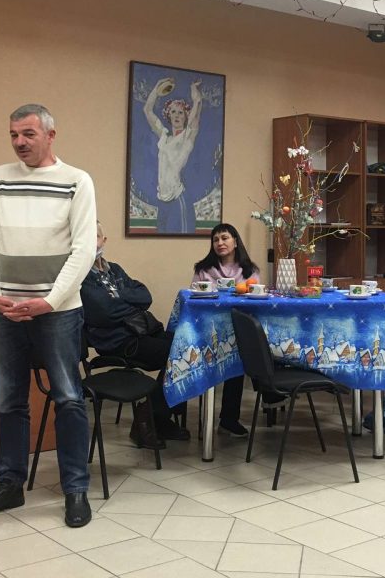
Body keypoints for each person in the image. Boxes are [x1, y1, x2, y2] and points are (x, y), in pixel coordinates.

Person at [0, 104, 96, 529]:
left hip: (58, 312)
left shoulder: (77, 181)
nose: (19, 142)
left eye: (28, 134)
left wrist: (50, 301)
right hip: (6, 312)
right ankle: (9, 485)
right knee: (9, 400)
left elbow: (84, 250)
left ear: (50, 135)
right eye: (13, 135)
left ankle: (75, 488)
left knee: (68, 397)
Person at [81, 221, 189, 446]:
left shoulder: (115, 270)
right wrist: (126, 302)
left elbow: (145, 296)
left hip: (141, 332)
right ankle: (147, 419)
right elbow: (103, 311)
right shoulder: (81, 276)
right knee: (176, 353)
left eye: (95, 236)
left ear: (104, 240)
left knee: (188, 345)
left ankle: (159, 418)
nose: (91, 242)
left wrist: (117, 297)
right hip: (118, 341)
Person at [192, 223, 260, 437]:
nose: (220, 243)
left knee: (241, 348)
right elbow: (194, 300)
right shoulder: (203, 269)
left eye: (224, 238)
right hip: (209, 330)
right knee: (236, 347)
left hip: (239, 329)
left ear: (235, 241)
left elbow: (256, 303)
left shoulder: (249, 270)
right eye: (215, 239)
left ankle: (229, 420)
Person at [144, 77, 202, 233]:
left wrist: (195, 96)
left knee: (183, 239)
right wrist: (157, 89)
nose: (176, 115)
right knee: (159, 240)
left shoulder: (187, 137)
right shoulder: (163, 136)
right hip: (162, 199)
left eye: (180, 112)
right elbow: (148, 110)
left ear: (185, 116)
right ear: (168, 115)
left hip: (178, 198)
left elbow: (195, 115)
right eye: (173, 112)